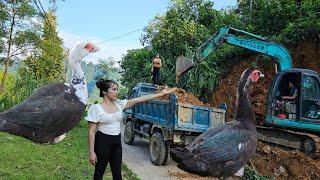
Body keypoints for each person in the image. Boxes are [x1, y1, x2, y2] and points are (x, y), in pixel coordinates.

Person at [86, 79, 176, 180]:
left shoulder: (119, 104)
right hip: (102, 143)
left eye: (117, 89)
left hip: (116, 144)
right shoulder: (96, 108)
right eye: (114, 89)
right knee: (99, 174)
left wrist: (161, 94)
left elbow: (140, 99)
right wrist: (91, 152)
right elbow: (91, 132)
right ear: (104, 92)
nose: (117, 92)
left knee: (117, 175)